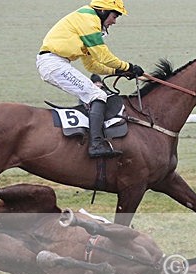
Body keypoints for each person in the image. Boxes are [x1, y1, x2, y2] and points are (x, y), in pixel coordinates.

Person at [37, 0, 144, 158]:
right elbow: (104, 56)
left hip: (56, 62)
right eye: (114, 15)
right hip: (54, 64)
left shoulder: (87, 21)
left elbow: (92, 65)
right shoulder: (89, 20)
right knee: (97, 95)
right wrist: (127, 67)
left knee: (96, 94)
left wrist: (118, 70)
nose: (114, 21)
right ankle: (96, 144)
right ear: (103, 11)